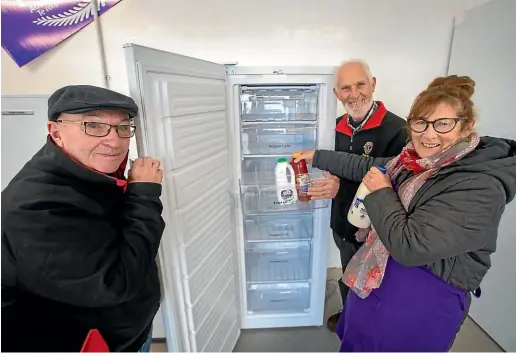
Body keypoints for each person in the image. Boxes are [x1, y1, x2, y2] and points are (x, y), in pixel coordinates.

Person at [294, 75, 516, 351]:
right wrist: (316, 156)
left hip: (424, 295)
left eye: (443, 123)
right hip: (381, 274)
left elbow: (411, 247)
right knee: (358, 342)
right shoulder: (414, 160)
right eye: (421, 123)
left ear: (467, 126)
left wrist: (381, 193)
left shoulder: (480, 184)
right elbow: (367, 166)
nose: (429, 134)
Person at [1, 85, 166, 352]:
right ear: (56, 131)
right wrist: (145, 194)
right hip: (89, 343)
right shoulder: (35, 208)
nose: (114, 141)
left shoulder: (87, 171)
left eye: (123, 128)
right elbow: (114, 284)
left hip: (124, 332)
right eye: (93, 125)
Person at [308, 59, 407, 331]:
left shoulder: (398, 130)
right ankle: (349, 316)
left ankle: (368, 326)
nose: (354, 94)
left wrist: (343, 188)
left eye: (360, 84)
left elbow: (398, 184)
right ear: (336, 93)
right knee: (348, 270)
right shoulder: (333, 127)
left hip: (378, 229)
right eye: (345, 88)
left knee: (377, 281)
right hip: (342, 222)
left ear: (373, 84)